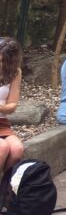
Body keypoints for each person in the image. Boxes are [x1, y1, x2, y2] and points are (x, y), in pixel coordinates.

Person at [0, 39, 25, 174]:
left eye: (4, 61)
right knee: (2, 147)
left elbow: (12, 106)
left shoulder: (15, 73)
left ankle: (6, 188)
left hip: (2, 124)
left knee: (17, 150)